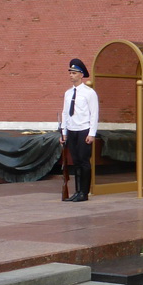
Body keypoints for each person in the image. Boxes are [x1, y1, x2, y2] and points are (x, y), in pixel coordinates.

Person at [60, 58, 99, 203]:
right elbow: (65, 113)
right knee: (75, 161)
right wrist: (64, 132)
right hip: (72, 130)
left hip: (84, 130)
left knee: (84, 162)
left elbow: (94, 113)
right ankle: (77, 191)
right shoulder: (68, 93)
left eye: (74, 72)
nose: (71, 75)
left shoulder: (89, 93)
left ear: (81, 75)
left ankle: (84, 192)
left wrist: (92, 133)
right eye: (70, 72)